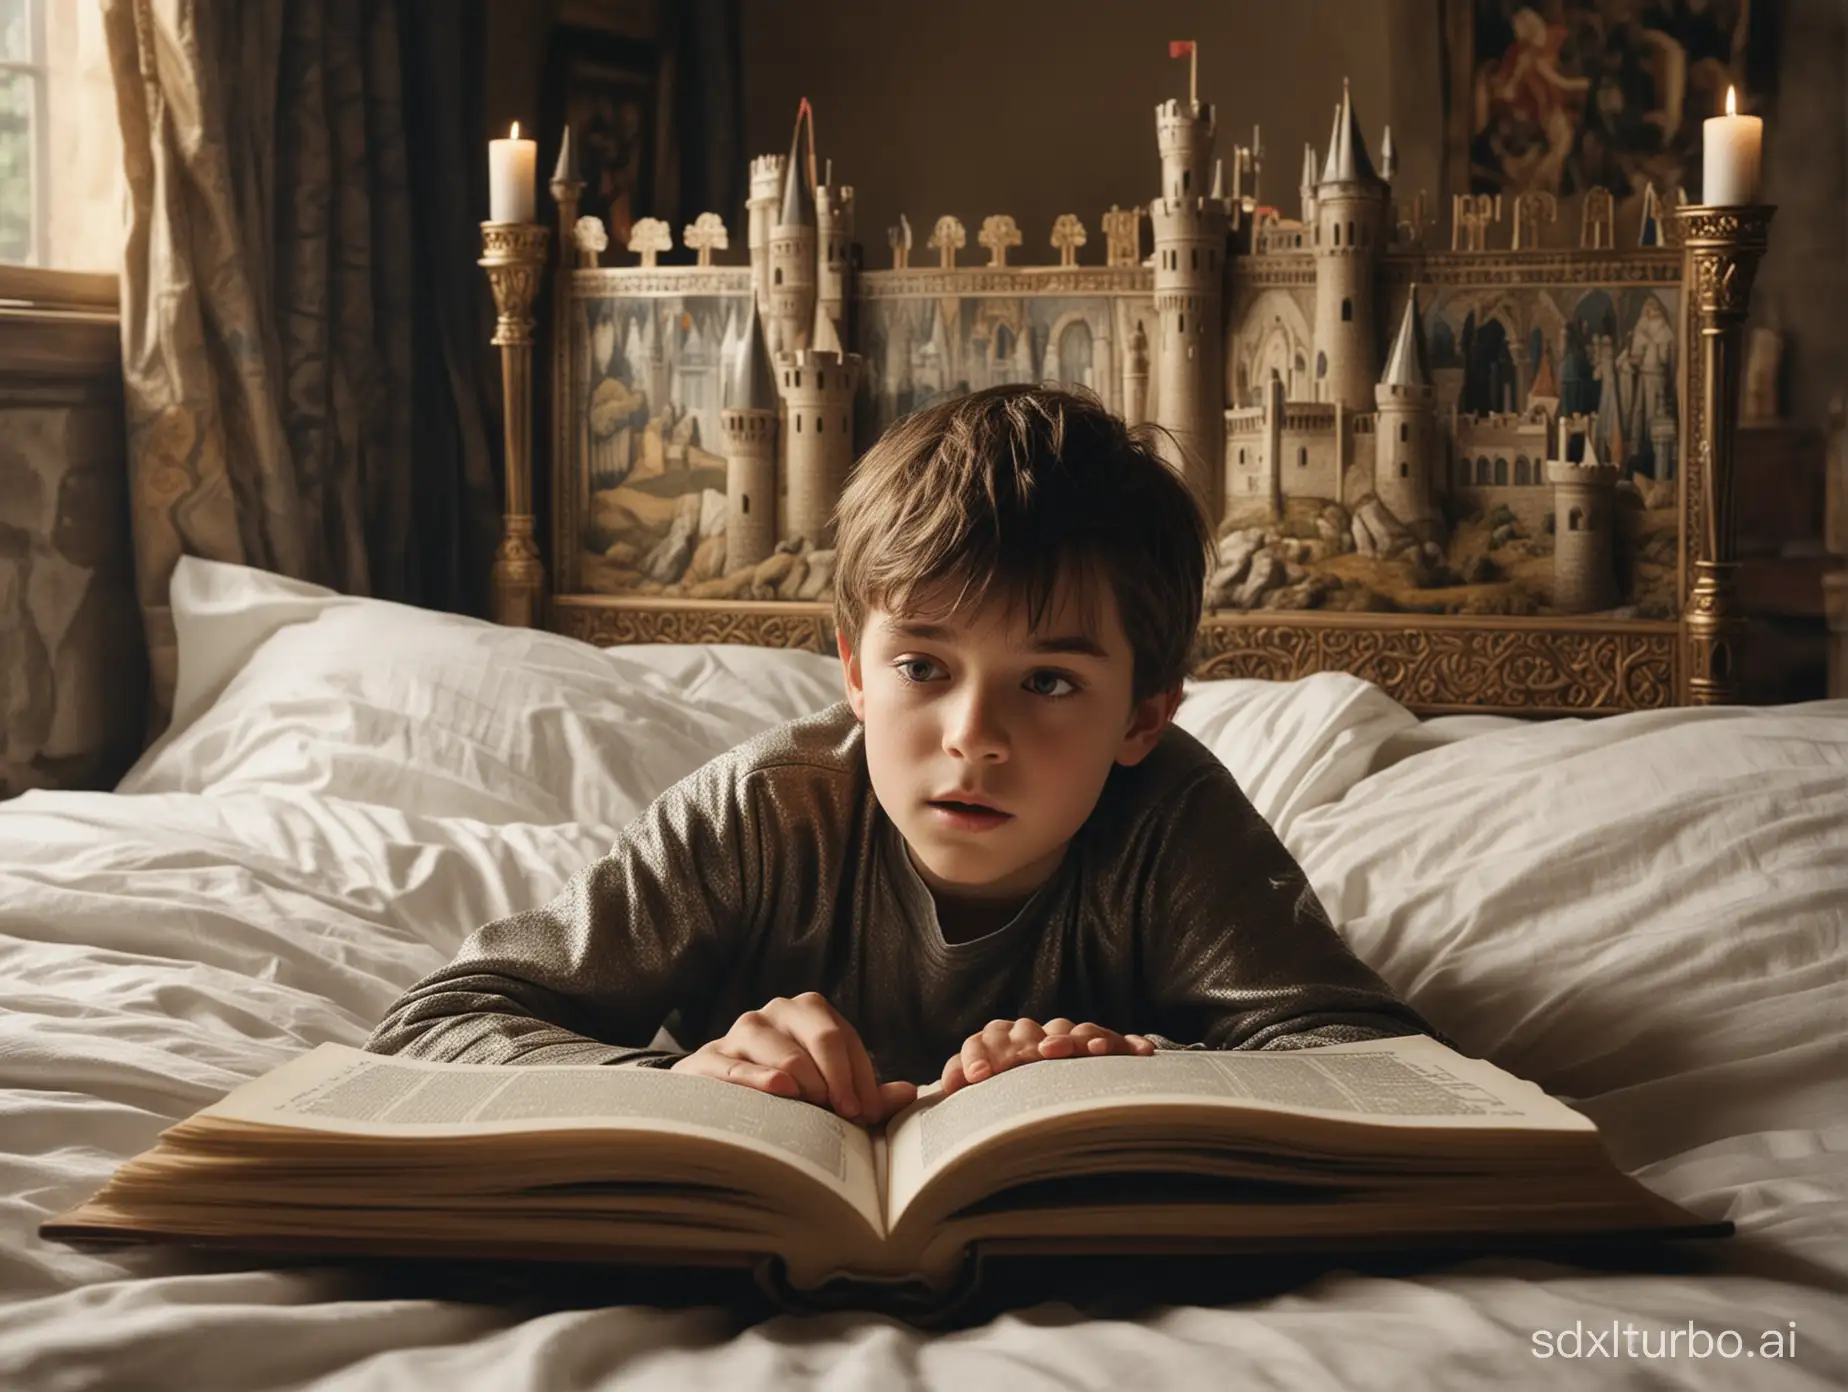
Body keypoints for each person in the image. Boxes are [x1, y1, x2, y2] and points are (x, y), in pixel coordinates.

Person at [367, 384, 1437, 1126]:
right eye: (924, 667)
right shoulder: (760, 817)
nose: (974, 735)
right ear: (854, 672)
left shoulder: (1174, 825)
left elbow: (1386, 1074)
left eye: (1052, 682)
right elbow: (437, 1023)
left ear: (1142, 719)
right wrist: (678, 1078)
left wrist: (1150, 1080)